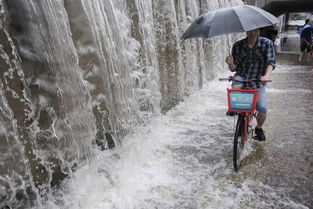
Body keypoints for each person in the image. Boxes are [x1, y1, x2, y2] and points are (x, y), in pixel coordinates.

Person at [225, 28, 275, 141]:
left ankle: (259, 128)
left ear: (259, 31)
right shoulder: (237, 45)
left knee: (262, 108)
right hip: (241, 76)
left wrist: (266, 76)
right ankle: (236, 109)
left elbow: (270, 63)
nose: (252, 33)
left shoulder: (267, 44)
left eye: (256, 31)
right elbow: (234, 69)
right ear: (246, 31)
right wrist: (231, 63)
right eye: (250, 31)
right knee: (236, 88)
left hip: (258, 79)